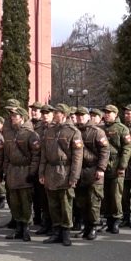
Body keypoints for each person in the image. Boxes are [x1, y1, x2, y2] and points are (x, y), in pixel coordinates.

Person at [39, 103, 84, 246]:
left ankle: (65, 232)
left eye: (56, 113)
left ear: (63, 115)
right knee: (53, 204)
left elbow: (78, 157)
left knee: (66, 203)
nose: (54, 115)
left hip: (65, 171)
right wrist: (41, 173)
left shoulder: (73, 132)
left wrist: (74, 177)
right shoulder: (50, 131)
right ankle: (56, 231)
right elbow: (44, 155)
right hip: (50, 171)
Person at [2, 106, 41, 241]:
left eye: (15, 116)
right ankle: (18, 228)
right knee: (14, 202)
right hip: (13, 171)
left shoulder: (31, 134)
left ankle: (25, 229)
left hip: (25, 171)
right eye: (11, 116)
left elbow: (36, 156)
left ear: (22, 118)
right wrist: (5, 171)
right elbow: (7, 155)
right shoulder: (10, 134)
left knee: (25, 202)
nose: (12, 118)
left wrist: (32, 172)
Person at [74, 105, 110, 240]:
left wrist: (101, 169)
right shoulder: (75, 130)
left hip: (94, 170)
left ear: (88, 117)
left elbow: (105, 151)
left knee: (94, 201)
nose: (79, 118)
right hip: (80, 171)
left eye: (82, 115)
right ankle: (85, 227)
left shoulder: (97, 132)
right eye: (77, 115)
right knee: (81, 202)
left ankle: (93, 227)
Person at [101, 104, 131, 234]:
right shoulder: (101, 128)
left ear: (115, 114)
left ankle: (116, 221)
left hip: (116, 166)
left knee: (115, 195)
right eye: (105, 112)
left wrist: (122, 166)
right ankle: (108, 220)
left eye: (109, 112)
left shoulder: (122, 129)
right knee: (105, 196)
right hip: (103, 166)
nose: (107, 114)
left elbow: (127, 148)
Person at [34, 104, 55, 236]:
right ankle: (45, 223)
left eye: (47, 113)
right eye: (43, 113)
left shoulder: (56, 128)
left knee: (52, 199)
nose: (44, 116)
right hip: (41, 165)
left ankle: (55, 225)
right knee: (42, 198)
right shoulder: (38, 128)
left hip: (53, 167)